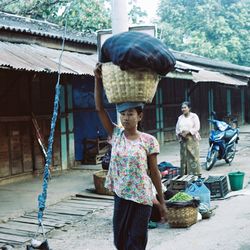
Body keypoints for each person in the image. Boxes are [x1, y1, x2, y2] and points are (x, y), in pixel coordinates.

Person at [94, 63, 167, 250]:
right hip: (121, 195)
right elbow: (99, 109)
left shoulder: (148, 141)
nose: (126, 118)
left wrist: (161, 202)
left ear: (139, 116)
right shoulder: (116, 134)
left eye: (130, 114)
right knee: (120, 241)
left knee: (137, 240)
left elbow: (154, 172)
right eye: (123, 114)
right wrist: (97, 79)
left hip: (142, 197)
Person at [175, 101, 201, 176]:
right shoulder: (180, 118)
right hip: (183, 140)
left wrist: (188, 132)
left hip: (192, 139)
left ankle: (195, 175)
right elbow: (177, 128)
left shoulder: (194, 116)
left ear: (189, 108)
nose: (183, 109)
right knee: (184, 158)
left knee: (193, 157)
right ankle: (184, 175)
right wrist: (180, 134)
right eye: (182, 108)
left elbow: (197, 127)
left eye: (185, 107)